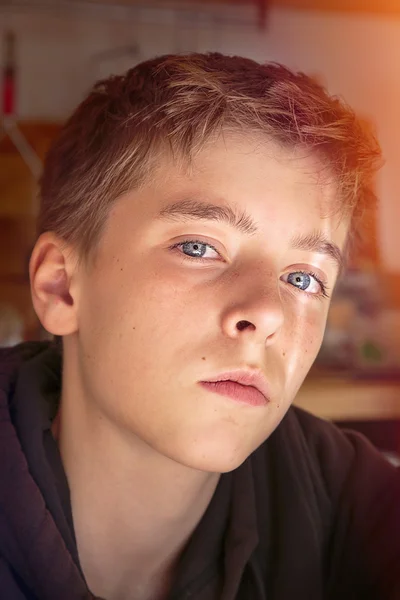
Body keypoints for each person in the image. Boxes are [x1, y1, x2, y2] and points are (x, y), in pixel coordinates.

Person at [0, 52, 398, 600]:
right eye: (198, 247)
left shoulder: (347, 498)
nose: (268, 313)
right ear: (62, 288)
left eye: (304, 279)